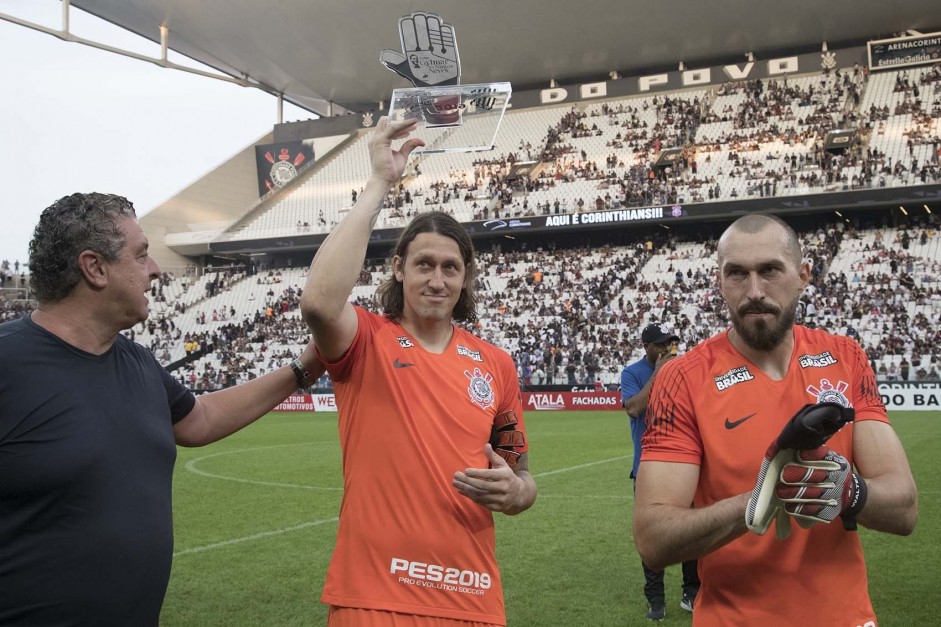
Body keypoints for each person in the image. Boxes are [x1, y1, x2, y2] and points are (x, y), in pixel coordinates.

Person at [0, 193, 324, 626]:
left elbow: (201, 420)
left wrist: (303, 369)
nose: (155, 271)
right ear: (95, 268)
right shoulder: (9, 363)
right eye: (141, 255)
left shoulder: (138, 362)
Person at [301, 117, 537, 627]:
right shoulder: (364, 338)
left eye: (450, 267)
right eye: (423, 264)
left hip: (470, 595)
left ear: (466, 276)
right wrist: (380, 183)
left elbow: (519, 471)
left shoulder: (496, 364)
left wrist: (519, 493)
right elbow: (319, 302)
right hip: (374, 596)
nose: (437, 279)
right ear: (398, 268)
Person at [633, 213, 918, 626]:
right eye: (736, 274)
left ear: (803, 275)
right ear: (719, 282)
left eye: (769, 271)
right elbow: (652, 538)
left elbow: (905, 507)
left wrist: (848, 492)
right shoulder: (683, 378)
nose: (754, 291)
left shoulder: (846, 357)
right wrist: (761, 498)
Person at [620, 323, 699, 621]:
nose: (668, 348)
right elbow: (634, 408)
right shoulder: (633, 373)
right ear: (647, 347)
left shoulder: (684, 371)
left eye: (671, 343)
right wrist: (660, 373)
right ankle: (656, 600)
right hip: (648, 466)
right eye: (662, 344)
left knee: (691, 530)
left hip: (685, 464)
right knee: (652, 535)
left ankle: (691, 592)